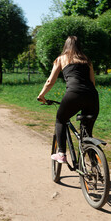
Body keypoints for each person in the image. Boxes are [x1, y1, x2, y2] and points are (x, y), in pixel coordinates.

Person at [37, 36, 99, 164]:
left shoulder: (61, 59)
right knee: (87, 133)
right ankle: (93, 163)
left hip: (74, 94)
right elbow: (92, 82)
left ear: (66, 46)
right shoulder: (87, 60)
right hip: (92, 96)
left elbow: (50, 81)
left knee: (60, 119)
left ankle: (61, 153)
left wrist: (41, 95)